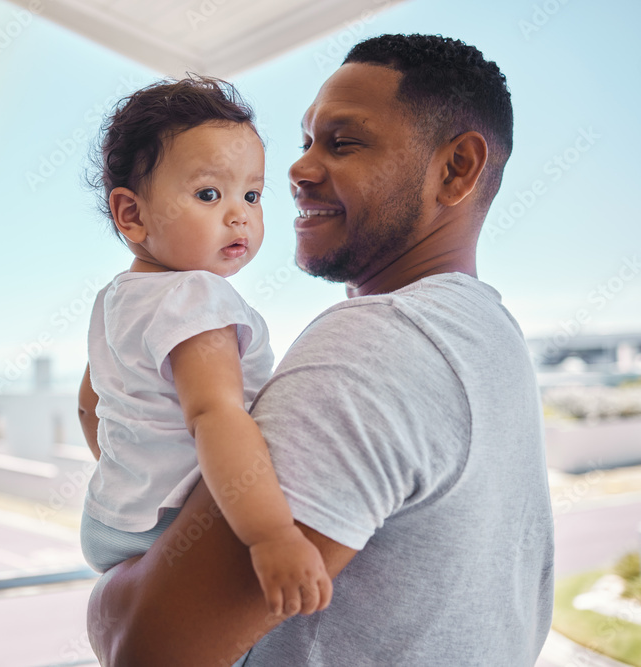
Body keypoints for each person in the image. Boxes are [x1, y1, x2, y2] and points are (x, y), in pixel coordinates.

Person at [84, 34, 555, 666]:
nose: (297, 171)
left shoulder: (375, 346)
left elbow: (147, 650)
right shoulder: (485, 329)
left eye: (344, 142)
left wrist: (106, 604)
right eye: (306, 142)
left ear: (457, 168)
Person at [76, 75, 332, 632]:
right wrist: (271, 535)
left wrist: (133, 475)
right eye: (209, 194)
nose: (239, 214)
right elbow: (216, 415)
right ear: (131, 214)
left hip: (110, 520)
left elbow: (90, 406)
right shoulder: (197, 295)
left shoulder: (115, 300)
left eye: (253, 195)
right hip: (170, 524)